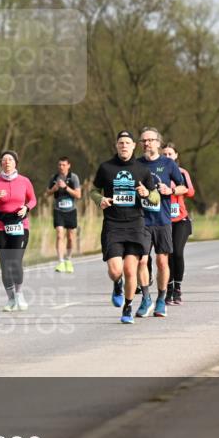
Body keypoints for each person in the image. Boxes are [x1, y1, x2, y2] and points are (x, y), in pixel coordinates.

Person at [89, 130, 159, 324]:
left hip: (135, 223)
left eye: (128, 143)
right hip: (113, 224)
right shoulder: (106, 168)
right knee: (115, 270)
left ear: (133, 146)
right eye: (121, 143)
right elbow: (93, 191)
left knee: (130, 269)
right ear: (116, 146)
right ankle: (116, 284)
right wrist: (100, 199)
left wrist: (146, 193)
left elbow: (155, 197)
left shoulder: (142, 170)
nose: (124, 146)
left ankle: (128, 308)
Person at [135, 127, 185, 319]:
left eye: (150, 140)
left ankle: (162, 299)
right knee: (142, 260)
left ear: (158, 142)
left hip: (162, 220)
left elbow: (183, 187)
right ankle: (146, 298)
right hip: (141, 220)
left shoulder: (168, 163)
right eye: (143, 141)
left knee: (162, 261)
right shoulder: (136, 164)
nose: (146, 143)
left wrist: (170, 191)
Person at [0, 150, 37, 312]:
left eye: (10, 159)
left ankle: (19, 294)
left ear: (15, 163)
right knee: (5, 265)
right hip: (0, 226)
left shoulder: (24, 181)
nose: (7, 162)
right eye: (4, 160)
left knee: (15, 262)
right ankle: (11, 298)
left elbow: (33, 199)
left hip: (20, 225)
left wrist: (26, 207)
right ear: (1, 163)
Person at [163, 143, 194, 305]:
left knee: (178, 252)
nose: (167, 157)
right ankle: (168, 289)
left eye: (170, 154)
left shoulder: (182, 172)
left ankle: (178, 288)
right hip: (164, 220)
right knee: (167, 254)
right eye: (165, 154)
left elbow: (191, 192)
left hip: (181, 219)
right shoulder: (159, 173)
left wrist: (174, 189)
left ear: (176, 156)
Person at [45, 157, 81, 273]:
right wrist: (54, 188)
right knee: (60, 234)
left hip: (71, 210)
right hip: (58, 210)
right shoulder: (54, 178)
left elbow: (78, 195)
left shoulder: (73, 177)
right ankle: (60, 262)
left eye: (64, 165)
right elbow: (47, 193)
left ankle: (68, 259)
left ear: (69, 165)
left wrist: (66, 187)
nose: (61, 167)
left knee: (70, 236)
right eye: (60, 164)